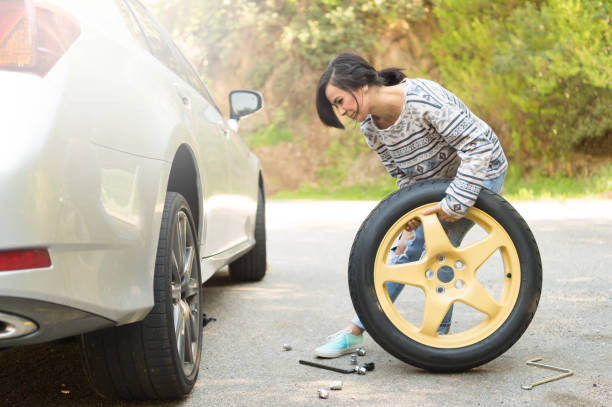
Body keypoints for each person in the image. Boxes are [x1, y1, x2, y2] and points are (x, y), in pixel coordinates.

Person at [313, 52, 508, 358]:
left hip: (481, 172)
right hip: (433, 189)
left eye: (340, 101)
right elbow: (403, 176)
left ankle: (426, 341)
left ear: (360, 85)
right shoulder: (371, 128)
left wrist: (454, 204)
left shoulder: (422, 99)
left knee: (435, 250)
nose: (342, 111)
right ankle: (432, 342)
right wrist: (409, 217)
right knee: (409, 247)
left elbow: (478, 145)